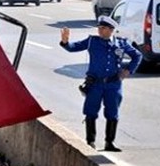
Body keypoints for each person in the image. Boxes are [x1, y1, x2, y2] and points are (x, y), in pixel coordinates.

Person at [59, 16, 142, 152]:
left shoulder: (121, 43)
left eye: (103, 28)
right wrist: (65, 42)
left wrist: (128, 70)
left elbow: (137, 55)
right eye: (99, 28)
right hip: (95, 84)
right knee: (91, 111)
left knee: (112, 113)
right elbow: (73, 47)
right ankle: (90, 141)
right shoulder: (92, 41)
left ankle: (109, 142)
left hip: (113, 84)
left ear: (111, 30)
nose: (99, 30)